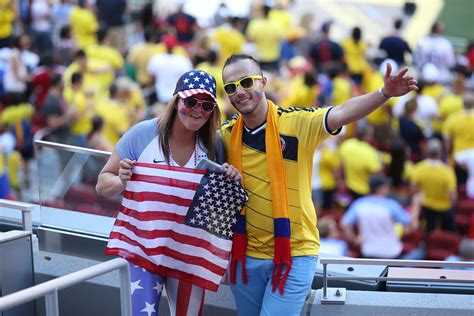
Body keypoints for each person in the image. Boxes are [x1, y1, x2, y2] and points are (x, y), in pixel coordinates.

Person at [220, 53, 417, 315]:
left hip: (294, 253)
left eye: (246, 82)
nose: (240, 92)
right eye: (231, 87)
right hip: (245, 257)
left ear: (264, 82)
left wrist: (383, 93)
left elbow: (343, 113)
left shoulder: (297, 123)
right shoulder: (224, 135)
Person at [96, 69, 242, 316]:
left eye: (207, 105)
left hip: (189, 254)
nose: (198, 109)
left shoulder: (215, 145)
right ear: (176, 101)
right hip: (145, 249)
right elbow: (102, 184)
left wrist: (231, 179)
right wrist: (121, 180)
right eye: (191, 101)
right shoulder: (142, 133)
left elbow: (217, 211)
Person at [340, 174, 417, 259]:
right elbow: (411, 224)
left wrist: (354, 240)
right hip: (391, 253)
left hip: (368, 252)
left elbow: (345, 224)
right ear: (382, 188)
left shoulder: (359, 204)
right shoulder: (391, 205)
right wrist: (416, 205)